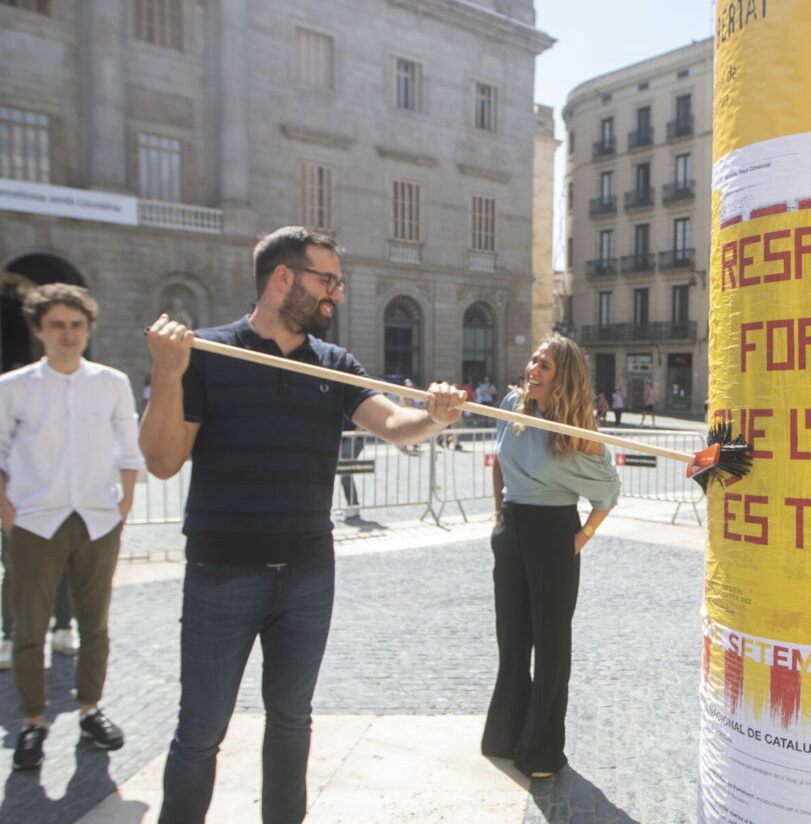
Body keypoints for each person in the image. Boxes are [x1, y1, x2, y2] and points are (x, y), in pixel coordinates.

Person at [140, 226, 466, 823]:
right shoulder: (206, 354)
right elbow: (162, 462)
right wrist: (166, 372)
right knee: (200, 732)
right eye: (327, 280)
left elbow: (394, 424)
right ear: (283, 278)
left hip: (308, 574)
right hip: (221, 573)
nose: (336, 295)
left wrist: (435, 416)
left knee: (291, 721)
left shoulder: (336, 364)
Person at [0, 283, 144, 770]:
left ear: (88, 329)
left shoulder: (111, 382)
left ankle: (90, 709)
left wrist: (125, 500)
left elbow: (128, 442)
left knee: (96, 625)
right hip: (34, 521)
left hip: (98, 519)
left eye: (77, 324)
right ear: (39, 329)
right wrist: (6, 510)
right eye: (57, 325)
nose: (68, 333)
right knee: (28, 629)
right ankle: (32, 723)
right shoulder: (13, 386)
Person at [482, 334, 619, 779]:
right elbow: (499, 459)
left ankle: (541, 750)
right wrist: (499, 510)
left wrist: (580, 539)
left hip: (555, 533)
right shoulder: (510, 405)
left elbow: (608, 493)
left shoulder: (581, 435)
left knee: (551, 644)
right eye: (533, 362)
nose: (532, 371)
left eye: (544, 367)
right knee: (512, 638)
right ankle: (506, 735)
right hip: (513, 530)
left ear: (564, 380)